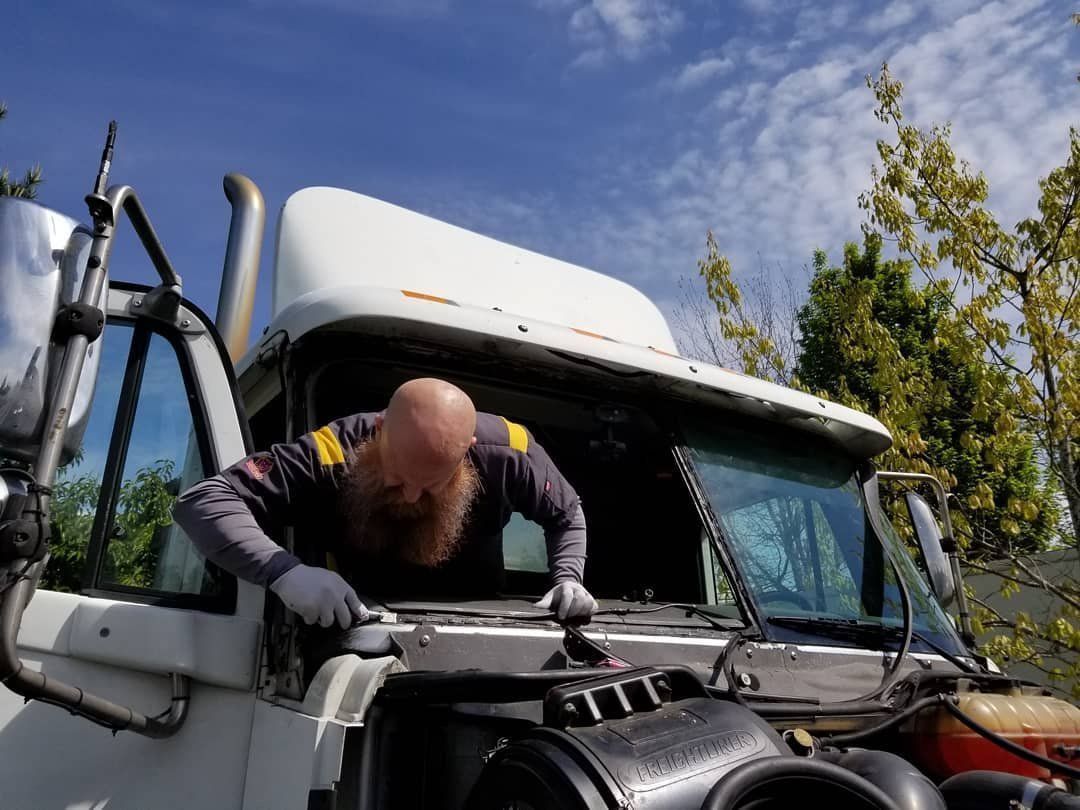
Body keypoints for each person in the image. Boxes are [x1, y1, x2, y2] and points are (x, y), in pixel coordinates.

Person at [173, 377, 597, 629]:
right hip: (355, 626)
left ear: (467, 450)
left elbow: (567, 512)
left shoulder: (510, 450)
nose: (411, 496)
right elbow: (204, 500)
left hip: (479, 624)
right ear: (379, 429)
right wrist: (283, 572)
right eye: (397, 480)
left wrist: (568, 577)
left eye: (431, 486)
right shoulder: (333, 450)